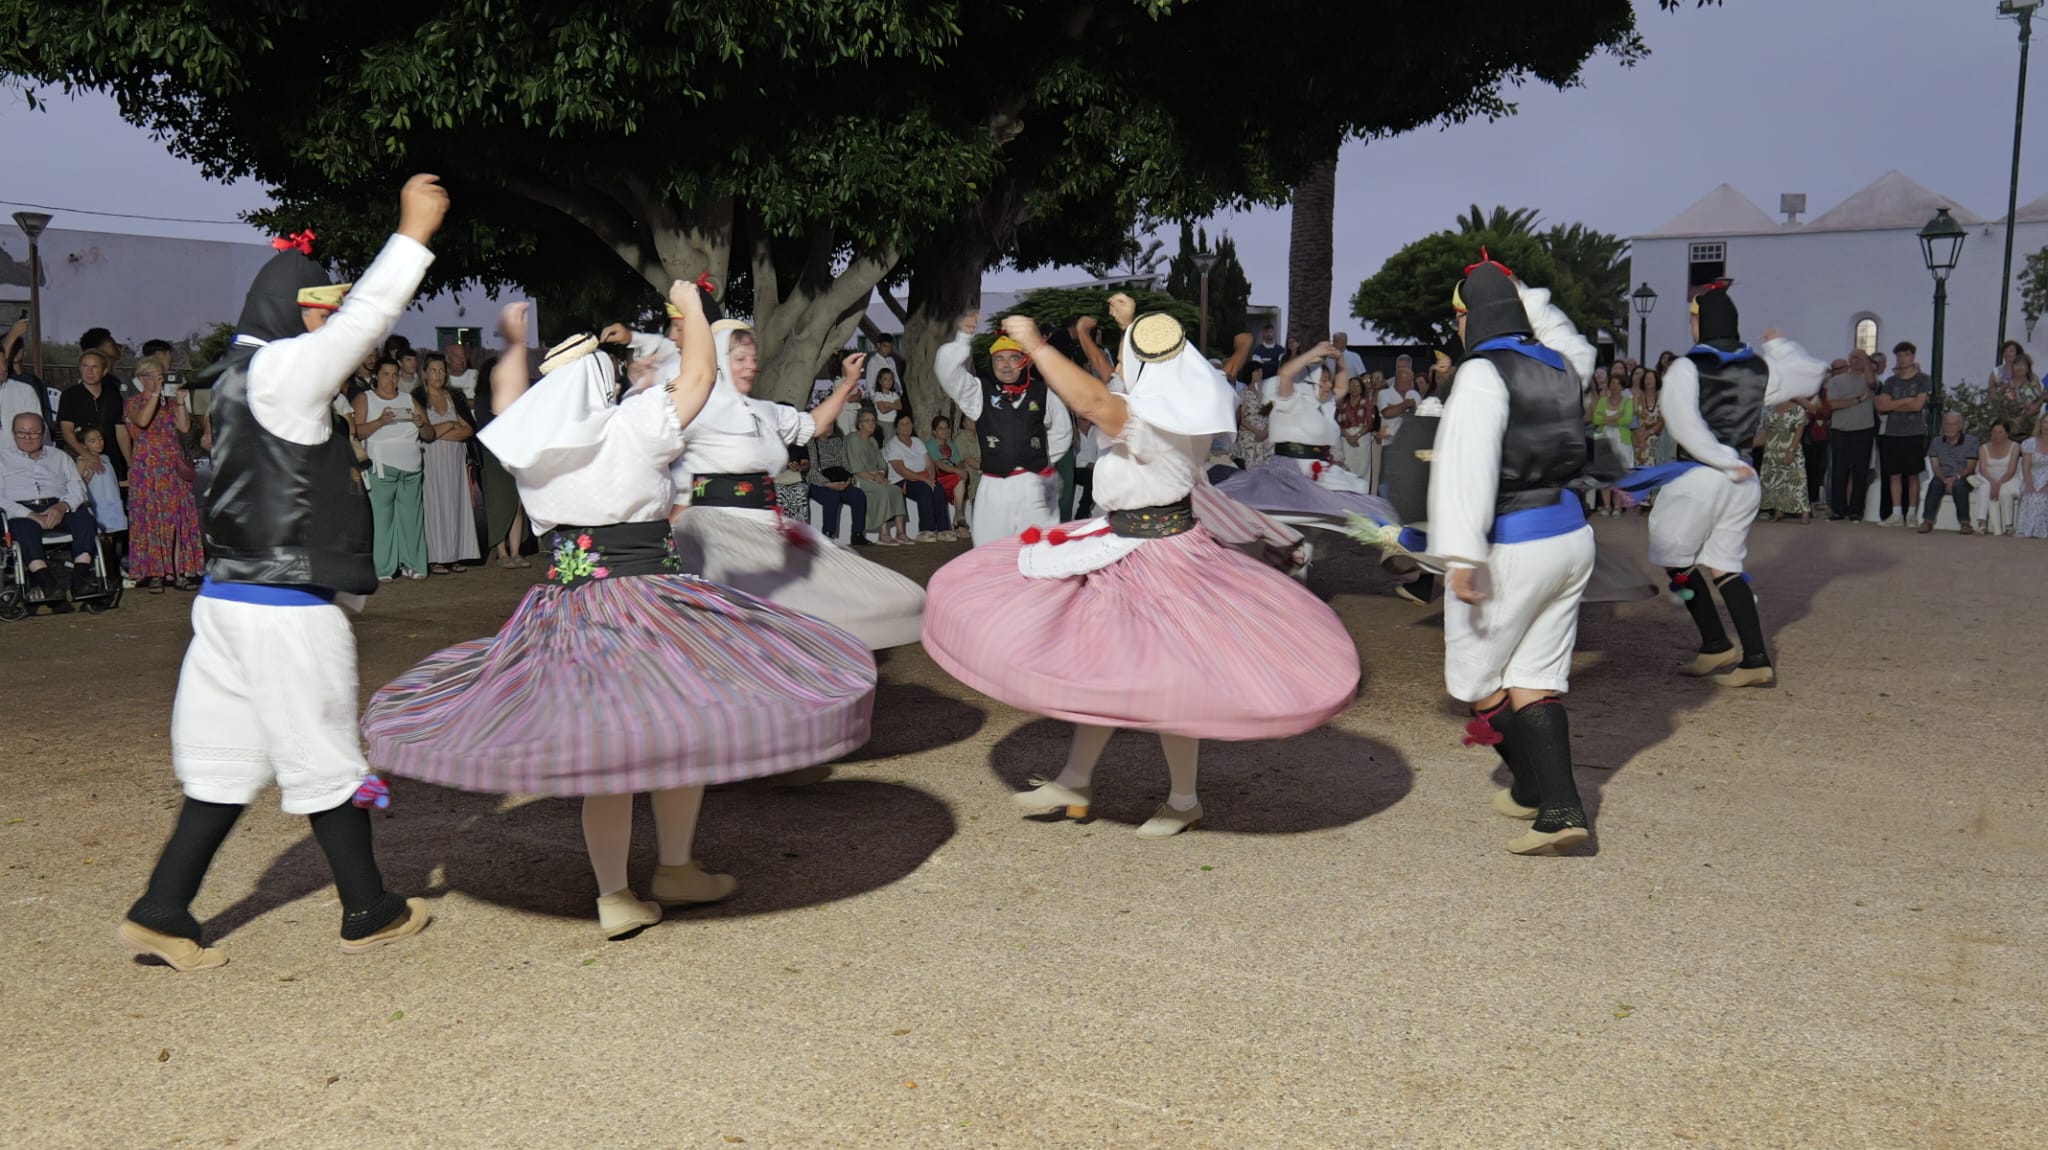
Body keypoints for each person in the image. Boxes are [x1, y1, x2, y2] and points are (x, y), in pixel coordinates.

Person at [363, 285, 877, 939]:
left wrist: (516, 346)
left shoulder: (533, 446)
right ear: (601, 385)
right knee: (680, 725)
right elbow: (699, 375)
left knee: (607, 748)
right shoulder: (632, 427)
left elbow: (506, 404)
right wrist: (693, 308)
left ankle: (619, 892)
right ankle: (674, 867)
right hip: (648, 599)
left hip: (568, 604)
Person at [118, 179, 448, 972]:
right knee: (328, 757)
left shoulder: (238, 380)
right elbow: (369, 318)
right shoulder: (281, 374)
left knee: (224, 764)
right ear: (286, 308)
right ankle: (368, 908)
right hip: (284, 609)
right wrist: (414, 233)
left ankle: (164, 909)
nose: (329, 325)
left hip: (227, 607)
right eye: (316, 309)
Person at [921, 303, 1358, 838]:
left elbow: (1093, 399)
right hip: (1127, 541)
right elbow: (1130, 379)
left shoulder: (1151, 420)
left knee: (1167, 679)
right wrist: (1130, 326)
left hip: (1158, 554)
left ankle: (1182, 798)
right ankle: (1077, 780)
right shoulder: (1186, 403)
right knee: (1106, 666)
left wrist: (1037, 345)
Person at [1425, 255, 1599, 856]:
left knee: (1477, 680)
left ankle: (1544, 794)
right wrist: (1525, 293)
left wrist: (1462, 556)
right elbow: (1567, 335)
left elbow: (1464, 469)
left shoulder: (1479, 373)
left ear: (1468, 318)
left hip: (1513, 544)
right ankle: (1551, 805)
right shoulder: (1565, 364)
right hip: (1571, 537)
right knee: (1534, 677)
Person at [667, 318, 926, 648]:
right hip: (716, 530)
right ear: (717, 359)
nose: (751, 366)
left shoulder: (764, 411)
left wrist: (846, 385)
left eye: (753, 358)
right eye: (740, 359)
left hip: (767, 526)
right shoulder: (696, 409)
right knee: (747, 616)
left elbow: (814, 425)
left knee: (892, 595)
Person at [1627, 281, 1825, 688]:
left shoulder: (1685, 367)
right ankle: (1752, 657)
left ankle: (1716, 642)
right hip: (1743, 478)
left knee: (1674, 560)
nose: (1690, 326)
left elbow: (1684, 425)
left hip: (1703, 475)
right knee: (1726, 565)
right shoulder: (1758, 366)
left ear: (1702, 320)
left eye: (1692, 318)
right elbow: (1811, 376)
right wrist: (1780, 347)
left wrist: (1719, 460)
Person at [934, 312, 1073, 545]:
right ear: (992, 362)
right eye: (1000, 359)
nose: (1006, 365)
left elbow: (1063, 431)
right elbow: (946, 373)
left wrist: (1041, 458)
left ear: (1023, 362)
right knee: (990, 551)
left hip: (1035, 487)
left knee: (1041, 550)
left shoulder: (1042, 393)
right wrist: (963, 339)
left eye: (1013, 358)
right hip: (994, 486)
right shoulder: (979, 392)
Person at [124, 358, 205, 592]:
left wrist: (180, 403)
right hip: (147, 469)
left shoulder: (169, 403)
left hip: (172, 467)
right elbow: (142, 420)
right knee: (151, 520)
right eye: (151, 375)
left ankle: (179, 571)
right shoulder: (133, 402)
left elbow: (184, 428)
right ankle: (155, 572)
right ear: (141, 379)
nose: (158, 379)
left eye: (161, 375)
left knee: (177, 519)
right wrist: (153, 394)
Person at [3, 411, 99, 604]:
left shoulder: (60, 456)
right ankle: (47, 584)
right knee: (24, 529)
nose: (27, 437)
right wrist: (29, 514)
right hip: (20, 511)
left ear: (43, 433)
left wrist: (63, 506)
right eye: (21, 432)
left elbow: (77, 487)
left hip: (57, 506)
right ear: (13, 434)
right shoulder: (2, 459)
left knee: (86, 521)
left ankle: (80, 580)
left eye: (34, 432)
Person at [352, 356, 430, 581]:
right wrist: (380, 422)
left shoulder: (409, 399)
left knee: (411, 518)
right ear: (377, 375)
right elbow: (355, 431)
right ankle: (384, 568)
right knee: (382, 519)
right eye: (386, 374)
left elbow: (429, 434)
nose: (391, 379)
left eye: (395, 374)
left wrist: (421, 424)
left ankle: (413, 564)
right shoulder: (365, 398)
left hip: (412, 468)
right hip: (381, 466)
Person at [414, 352, 480, 571]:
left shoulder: (455, 396)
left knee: (455, 503)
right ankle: (436, 557)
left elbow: (468, 429)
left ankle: (456, 554)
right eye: (433, 370)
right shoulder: (418, 397)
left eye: (442, 370)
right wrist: (451, 424)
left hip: (454, 459)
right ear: (424, 373)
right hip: (430, 459)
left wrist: (441, 430)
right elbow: (425, 433)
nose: (438, 374)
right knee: (434, 505)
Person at [472, 354, 531, 568]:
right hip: (494, 456)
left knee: (517, 505)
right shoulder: (482, 399)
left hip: (515, 455)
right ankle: (502, 552)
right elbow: (488, 428)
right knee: (499, 504)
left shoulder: (516, 396)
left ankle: (516, 551)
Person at [1876, 341, 1931, 526]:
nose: (1902, 359)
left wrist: (1896, 403)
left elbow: (1917, 405)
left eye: (1906, 355)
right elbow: (1882, 406)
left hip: (1914, 432)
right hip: (1893, 433)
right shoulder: (1890, 382)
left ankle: (1912, 513)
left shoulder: (1923, 379)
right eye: (1899, 355)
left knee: (1913, 474)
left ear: (1913, 356)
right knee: (1894, 474)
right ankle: (1896, 513)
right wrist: (1905, 401)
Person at [59, 348, 130, 485]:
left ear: (104, 371)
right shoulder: (70, 395)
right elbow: (67, 431)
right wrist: (88, 456)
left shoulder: (113, 396)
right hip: (82, 460)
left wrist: (131, 464)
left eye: (94, 367)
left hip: (111, 458)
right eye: (85, 366)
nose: (89, 371)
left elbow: (121, 432)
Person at [886, 412, 956, 541]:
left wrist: (931, 479)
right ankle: (926, 530)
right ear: (896, 427)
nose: (906, 426)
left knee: (938, 488)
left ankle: (944, 529)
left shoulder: (917, 441)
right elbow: (900, 470)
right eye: (902, 424)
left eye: (908, 423)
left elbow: (929, 463)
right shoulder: (893, 445)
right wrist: (925, 480)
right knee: (925, 490)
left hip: (922, 478)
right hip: (903, 480)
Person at [1826, 351, 1879, 521]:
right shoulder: (1836, 381)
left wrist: (1866, 363)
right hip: (1840, 430)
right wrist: (1858, 400)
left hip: (1864, 429)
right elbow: (1833, 404)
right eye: (1855, 357)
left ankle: (1856, 509)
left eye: (1862, 358)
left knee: (1860, 471)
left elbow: (1872, 383)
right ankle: (1837, 509)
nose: (1858, 361)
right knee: (1839, 470)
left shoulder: (1870, 379)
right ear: (1849, 360)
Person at [804, 413, 870, 544]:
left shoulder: (837, 441)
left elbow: (845, 464)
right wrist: (828, 484)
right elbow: (811, 471)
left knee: (858, 495)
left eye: (831, 424)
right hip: (819, 483)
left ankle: (857, 534)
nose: (830, 427)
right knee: (832, 496)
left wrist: (848, 480)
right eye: (826, 424)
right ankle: (828, 535)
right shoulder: (810, 443)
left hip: (839, 480)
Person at [847, 408, 909, 544]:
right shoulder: (852, 438)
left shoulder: (873, 441)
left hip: (876, 477)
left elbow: (882, 464)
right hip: (860, 478)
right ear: (859, 424)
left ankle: (900, 532)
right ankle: (884, 534)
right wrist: (876, 478)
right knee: (882, 491)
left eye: (873, 421)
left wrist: (880, 475)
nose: (871, 424)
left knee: (896, 490)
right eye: (867, 421)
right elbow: (855, 467)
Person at [78, 425, 128, 576]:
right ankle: (105, 573)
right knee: (101, 540)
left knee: (111, 540)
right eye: (92, 441)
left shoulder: (106, 458)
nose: (99, 443)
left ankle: (113, 570)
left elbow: (110, 482)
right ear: (83, 445)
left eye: (100, 439)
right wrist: (88, 474)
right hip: (98, 506)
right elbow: (78, 485)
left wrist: (127, 483)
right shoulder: (82, 461)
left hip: (112, 503)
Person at [1918, 411, 1978, 534]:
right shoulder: (1936, 442)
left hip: (1964, 476)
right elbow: (1935, 465)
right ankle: (1927, 521)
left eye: (1953, 424)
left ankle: (1965, 523)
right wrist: (1944, 479)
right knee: (1935, 484)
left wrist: (1955, 478)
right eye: (1947, 424)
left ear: (1960, 426)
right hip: (1943, 475)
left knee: (1959, 485)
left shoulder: (1971, 441)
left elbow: (1970, 467)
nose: (1949, 427)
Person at [1757, 398, 1811, 523]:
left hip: (1791, 448)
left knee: (1797, 480)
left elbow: (1799, 432)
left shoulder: (1797, 410)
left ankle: (1804, 513)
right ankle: (1778, 511)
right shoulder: (1771, 410)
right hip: (1772, 451)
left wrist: (1791, 450)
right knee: (1776, 480)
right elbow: (1767, 434)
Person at [1590, 372, 1634, 516]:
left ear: (1622, 386)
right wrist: (1615, 416)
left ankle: (1618, 506)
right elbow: (1596, 419)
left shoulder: (1628, 401)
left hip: (1621, 441)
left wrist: (1606, 418)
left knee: (1621, 475)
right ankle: (1607, 505)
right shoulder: (1603, 401)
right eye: (1612, 383)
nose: (1614, 386)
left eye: (1617, 383)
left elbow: (1626, 420)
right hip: (1604, 439)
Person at [1973, 420, 2021, 535]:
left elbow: (2011, 470)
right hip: (1989, 477)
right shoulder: (1983, 448)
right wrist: (1993, 483)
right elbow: (1983, 469)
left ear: (2007, 434)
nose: (1996, 435)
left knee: (2004, 492)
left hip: (2010, 479)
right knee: (1984, 487)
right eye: (1994, 432)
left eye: (2000, 432)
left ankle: (2009, 525)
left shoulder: (2015, 447)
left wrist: (1998, 484)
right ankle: (1982, 523)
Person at [927, 413, 971, 525]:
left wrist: (962, 467)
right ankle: (959, 514)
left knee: (960, 477)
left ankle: (958, 518)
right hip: (938, 476)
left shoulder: (950, 444)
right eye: (940, 428)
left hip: (951, 475)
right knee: (959, 477)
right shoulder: (930, 444)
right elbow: (939, 463)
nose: (944, 431)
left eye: (946, 428)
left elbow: (957, 461)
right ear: (934, 431)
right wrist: (958, 471)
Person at [2016, 417, 2048, 539]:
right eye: (2045, 422)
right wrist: (2029, 484)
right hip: (2032, 477)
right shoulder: (2030, 443)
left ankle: (2042, 531)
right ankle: (2029, 530)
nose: (2047, 426)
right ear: (2040, 424)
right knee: (2033, 495)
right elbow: (2026, 466)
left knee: (2043, 498)